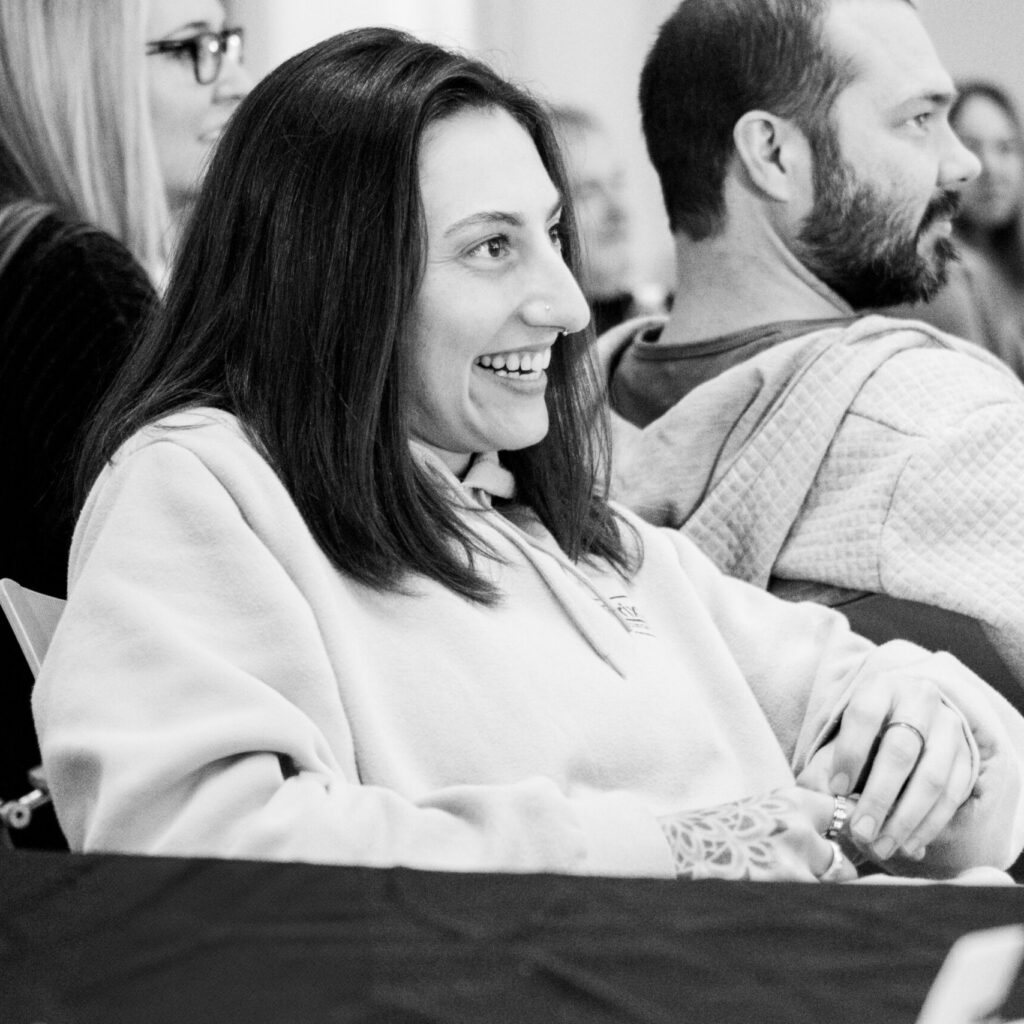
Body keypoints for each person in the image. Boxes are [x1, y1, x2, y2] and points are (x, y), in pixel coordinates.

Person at [31, 26, 1024, 883]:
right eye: (491, 248)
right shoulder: (202, 480)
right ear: (336, 278)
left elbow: (942, 755)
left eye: (551, 235)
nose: (561, 305)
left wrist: (923, 727)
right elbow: (194, 858)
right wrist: (669, 848)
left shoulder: (576, 531)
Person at [602, 0, 1024, 706]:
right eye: (919, 119)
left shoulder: (540, 436)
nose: (963, 163)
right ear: (772, 154)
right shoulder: (961, 430)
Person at [0, 0, 249, 845]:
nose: (234, 83)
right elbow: (174, 625)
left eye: (227, 44)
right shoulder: (77, 280)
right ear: (77, 73)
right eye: (190, 50)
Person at [882, 81, 1024, 379]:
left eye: (1006, 148)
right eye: (970, 146)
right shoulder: (945, 276)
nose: (990, 168)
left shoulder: (1006, 270)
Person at [549, 105, 670, 335]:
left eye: (617, 182)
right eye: (587, 192)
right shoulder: (533, 353)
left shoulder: (662, 317)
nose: (619, 212)